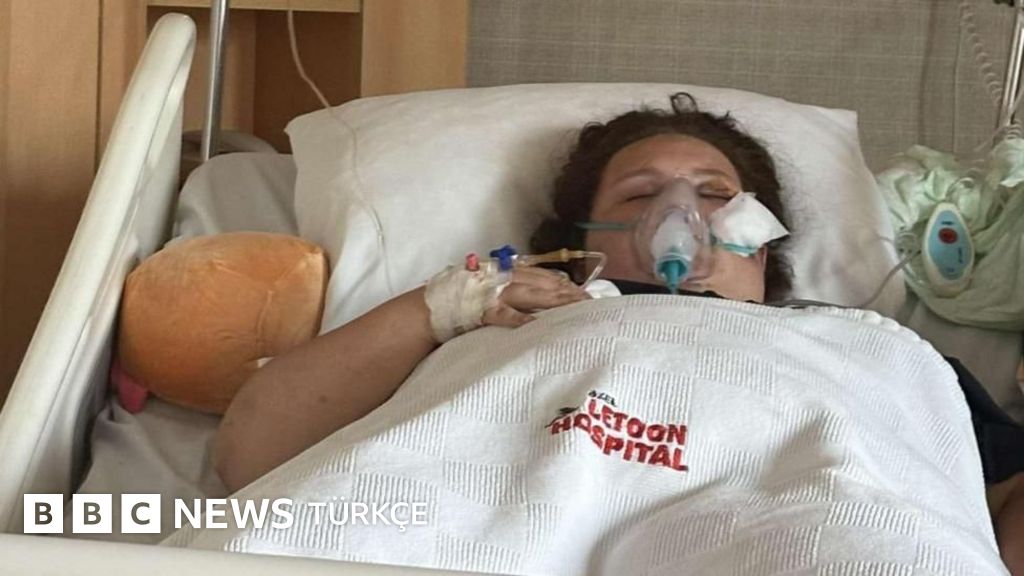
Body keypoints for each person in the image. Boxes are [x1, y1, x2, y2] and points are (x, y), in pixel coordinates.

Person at [213, 93, 1023, 573]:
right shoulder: (495, 315)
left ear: (764, 238)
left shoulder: (872, 347)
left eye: (716, 193)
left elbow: (994, 520)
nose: (681, 214)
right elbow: (252, 452)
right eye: (639, 195)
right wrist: (443, 306)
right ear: (580, 236)